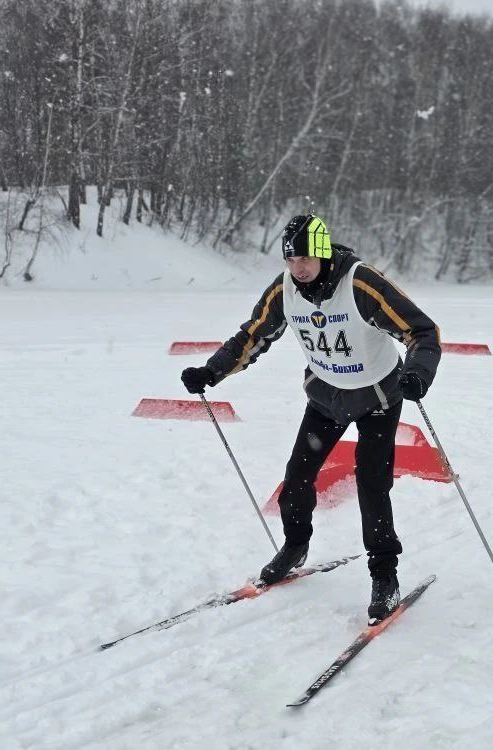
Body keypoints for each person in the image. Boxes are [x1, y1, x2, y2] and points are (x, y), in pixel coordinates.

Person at [180, 215, 441, 624]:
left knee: (373, 486)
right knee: (297, 477)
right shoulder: (285, 289)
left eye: (305, 258)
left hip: (376, 396)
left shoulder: (360, 283)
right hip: (326, 397)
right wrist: (211, 371)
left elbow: (422, 332)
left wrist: (417, 373)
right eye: (290, 260)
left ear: (321, 253)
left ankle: (384, 576)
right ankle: (295, 546)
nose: (298, 268)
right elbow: (252, 336)